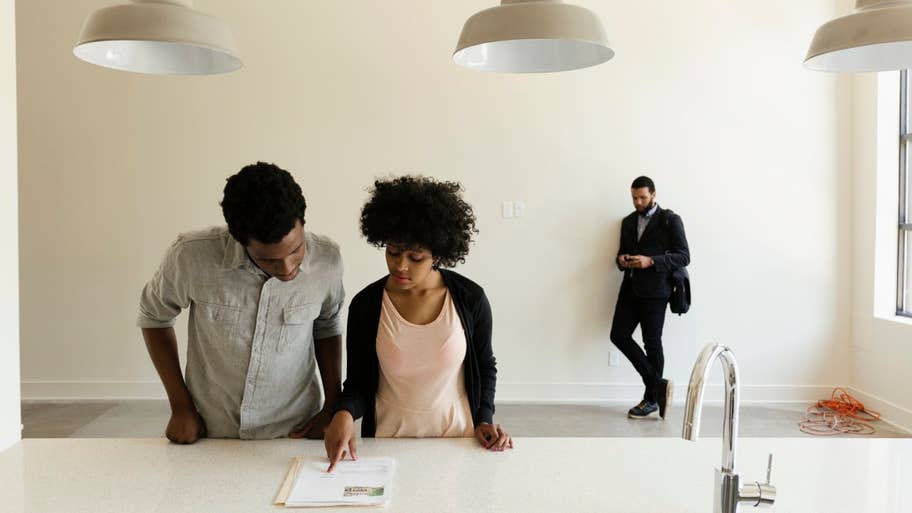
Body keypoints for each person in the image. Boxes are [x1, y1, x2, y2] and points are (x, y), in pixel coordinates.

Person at [137, 162, 344, 442]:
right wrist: (180, 406)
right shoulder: (190, 256)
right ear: (240, 240)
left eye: (296, 250)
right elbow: (154, 317)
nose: (287, 268)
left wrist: (331, 407)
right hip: (213, 429)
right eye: (269, 259)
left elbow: (327, 326)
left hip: (296, 429)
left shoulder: (328, 260)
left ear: (303, 223)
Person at [324, 175, 511, 472]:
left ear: (437, 254)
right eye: (393, 252)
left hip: (458, 443)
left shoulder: (470, 299)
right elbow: (358, 382)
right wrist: (343, 413)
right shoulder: (367, 305)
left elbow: (485, 365)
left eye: (416, 257)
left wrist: (484, 418)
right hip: (386, 444)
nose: (401, 265)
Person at [612, 176, 690, 420]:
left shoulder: (670, 220)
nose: (638, 202)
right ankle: (658, 386)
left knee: (652, 343)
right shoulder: (627, 221)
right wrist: (621, 260)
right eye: (634, 197)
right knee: (618, 335)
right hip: (630, 289)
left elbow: (684, 256)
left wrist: (651, 261)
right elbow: (621, 253)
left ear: (653, 195)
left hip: (657, 292)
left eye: (643, 197)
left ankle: (651, 399)